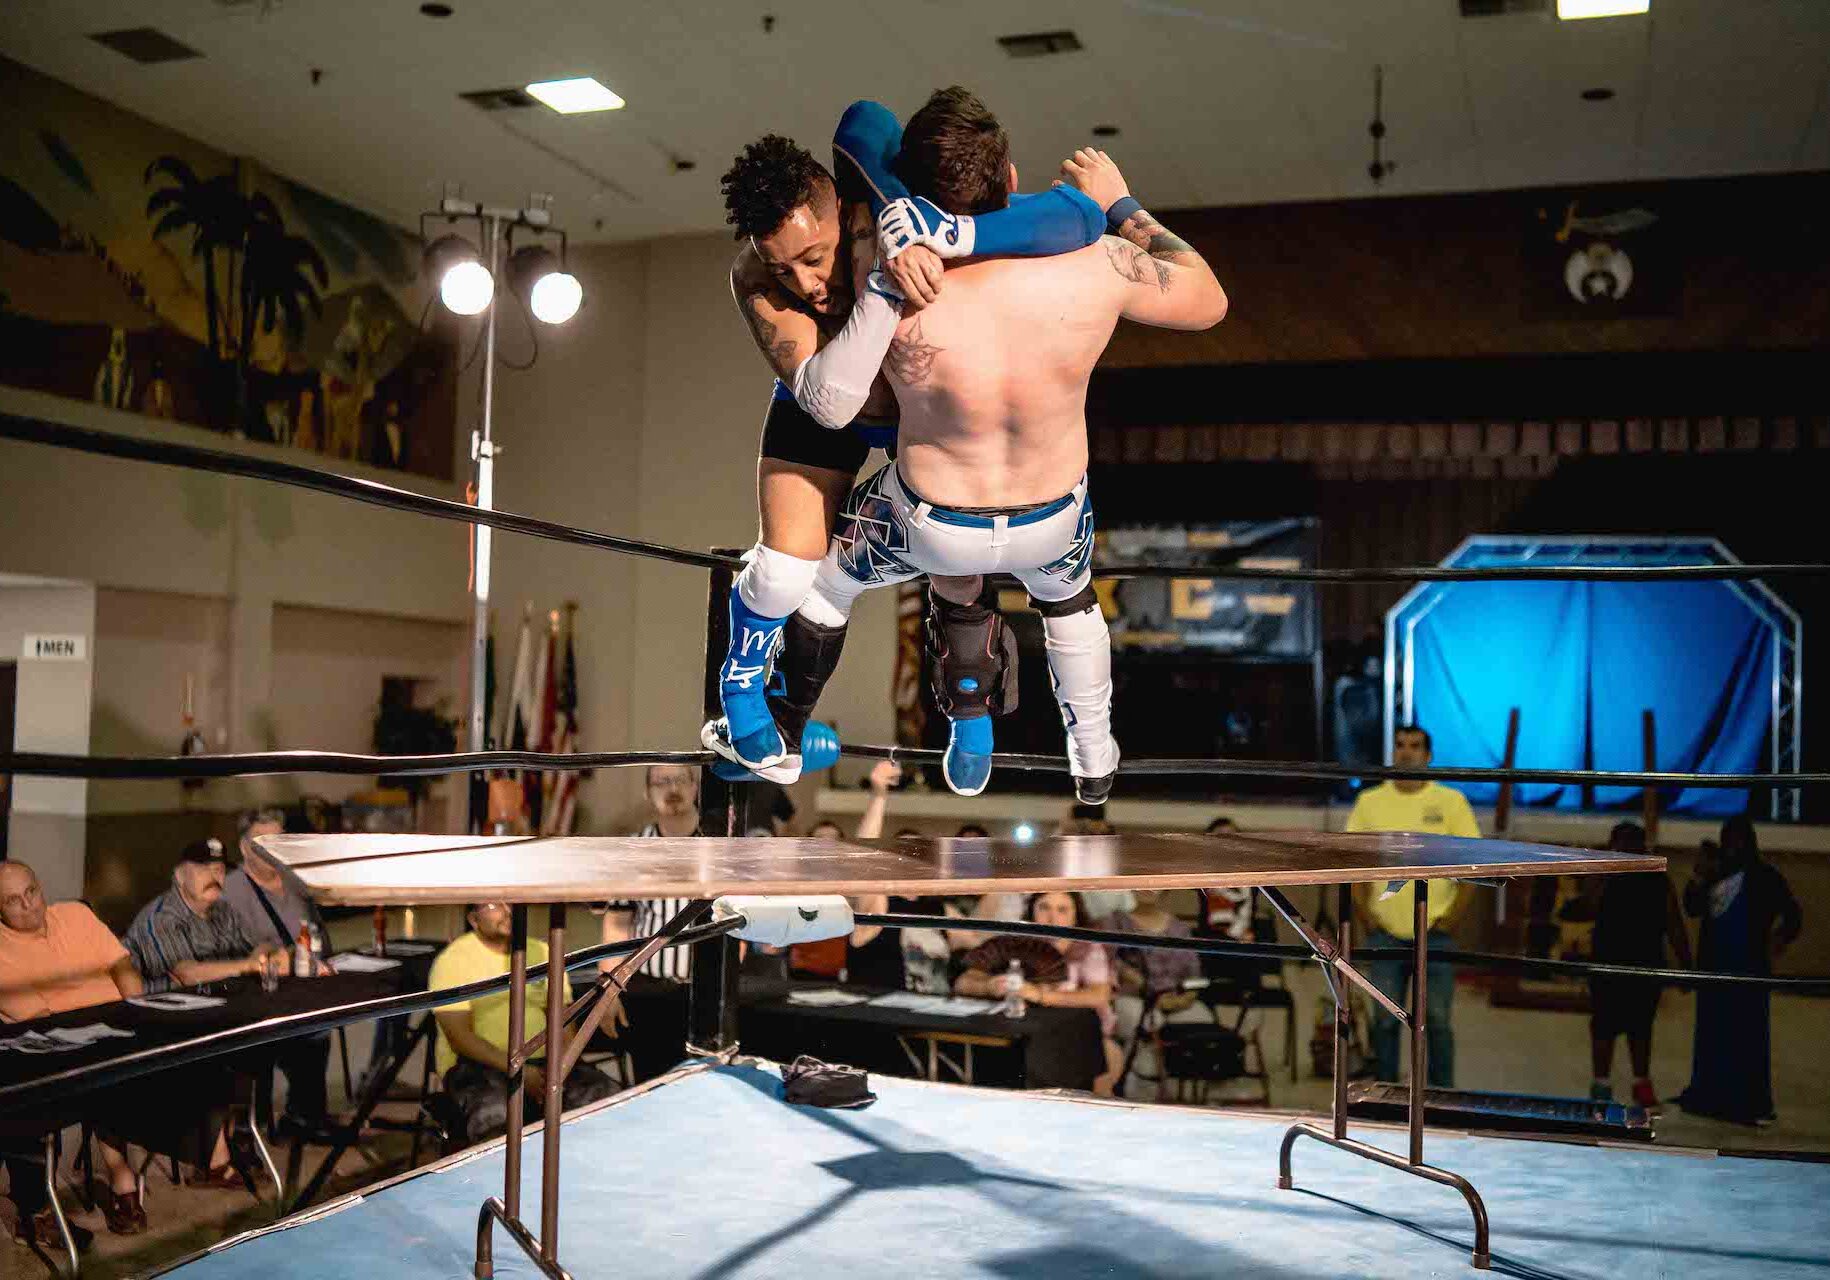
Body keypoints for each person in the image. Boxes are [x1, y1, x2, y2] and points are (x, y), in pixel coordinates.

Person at [771, 89, 1227, 805]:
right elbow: (1209, 297)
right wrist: (1120, 203)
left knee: (828, 581)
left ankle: (780, 733)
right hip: (1049, 521)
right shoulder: (1098, 261)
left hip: (933, 524)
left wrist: (902, 215)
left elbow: (859, 122)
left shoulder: (886, 267)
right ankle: (1093, 755)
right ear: (1010, 178)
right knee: (1070, 595)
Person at [707, 100, 1110, 785]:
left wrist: (923, 228)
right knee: (784, 571)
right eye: (785, 271)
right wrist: (881, 285)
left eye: (813, 256)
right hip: (821, 406)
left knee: (958, 564)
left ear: (842, 203)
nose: (805, 283)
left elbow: (863, 119)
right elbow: (829, 406)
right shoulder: (754, 277)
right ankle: (744, 692)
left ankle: (971, 717)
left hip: (914, 420)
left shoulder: (890, 200)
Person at [121, 836, 298, 1185]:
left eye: (219, 869)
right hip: (160, 1026)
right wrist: (248, 966)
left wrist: (265, 953)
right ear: (178, 875)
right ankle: (214, 1161)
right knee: (224, 1053)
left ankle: (236, 1135)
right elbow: (185, 973)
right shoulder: (163, 916)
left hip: (214, 1014)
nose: (215, 876)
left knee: (266, 1040)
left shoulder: (222, 911)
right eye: (203, 869)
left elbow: (257, 943)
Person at [0, 861, 148, 1241]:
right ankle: (43, 1209)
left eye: (31, 891)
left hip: (114, 1033)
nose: (28, 905)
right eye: (13, 901)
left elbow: (121, 964)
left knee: (164, 1071)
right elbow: (42, 1019)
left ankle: (125, 1177)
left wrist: (138, 1011)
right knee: (96, 1082)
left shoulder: (77, 915)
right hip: (52, 1056)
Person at [1344, 724, 1480, 1086]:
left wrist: (1452, 919)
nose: (1406, 752)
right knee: (1384, 1021)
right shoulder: (1370, 803)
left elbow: (1473, 863)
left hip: (1435, 934)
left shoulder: (1451, 803)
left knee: (1437, 1021)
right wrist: (1366, 916)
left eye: (1415, 746)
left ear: (1428, 755)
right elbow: (1355, 863)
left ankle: (1441, 1100)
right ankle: (1385, 1098)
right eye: (1400, 745)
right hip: (1385, 933)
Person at [428, 902, 614, 1145]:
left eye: (511, 901)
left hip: (548, 1064)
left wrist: (560, 1070)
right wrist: (520, 1070)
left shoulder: (543, 952)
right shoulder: (453, 960)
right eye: (495, 904)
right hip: (482, 1067)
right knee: (494, 1116)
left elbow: (565, 1022)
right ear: (474, 919)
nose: (507, 911)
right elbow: (460, 1038)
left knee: (606, 1098)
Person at [1676, 815, 1802, 1125]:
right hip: (1714, 970)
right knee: (1712, 1036)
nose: (1733, 846)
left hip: (1748, 970)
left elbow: (1792, 914)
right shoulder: (1716, 875)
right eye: (1728, 839)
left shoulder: (1763, 877)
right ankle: (1709, 1095)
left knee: (1747, 1037)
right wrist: (1698, 876)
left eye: (1738, 840)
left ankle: (1748, 1102)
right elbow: (1692, 908)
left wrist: (1779, 940)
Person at [220, 808, 336, 1135]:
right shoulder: (231, 892)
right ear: (244, 848)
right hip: (253, 1000)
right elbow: (242, 957)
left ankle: (303, 1117)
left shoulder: (295, 884)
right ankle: (246, 1131)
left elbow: (321, 940)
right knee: (280, 1039)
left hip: (301, 994)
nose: (272, 850)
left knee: (320, 1029)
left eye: (278, 841)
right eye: (262, 842)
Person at [955, 892, 1124, 1095]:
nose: (1052, 918)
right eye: (1044, 908)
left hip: (1078, 1035)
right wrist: (988, 985)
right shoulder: (1015, 942)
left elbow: (1098, 995)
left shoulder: (1087, 947)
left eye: (1062, 910)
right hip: (1018, 1033)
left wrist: (1039, 995)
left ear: (1075, 914)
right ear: (1032, 910)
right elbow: (963, 982)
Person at [596, 765, 703, 1083]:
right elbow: (617, 924)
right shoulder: (634, 849)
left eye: (681, 780)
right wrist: (608, 992)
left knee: (704, 1089)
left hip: (704, 991)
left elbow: (736, 928)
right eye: (661, 782)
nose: (672, 789)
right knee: (649, 1088)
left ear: (696, 787)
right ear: (647, 793)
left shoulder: (718, 843)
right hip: (648, 992)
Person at [1582, 822, 1692, 1108]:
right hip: (1611, 962)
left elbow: (1673, 923)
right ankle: (1604, 1085)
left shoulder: (1656, 879)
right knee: (1609, 1026)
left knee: (1638, 1026)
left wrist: (1686, 964)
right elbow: (1591, 904)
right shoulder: (1608, 875)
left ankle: (1636, 1083)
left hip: (1641, 963)